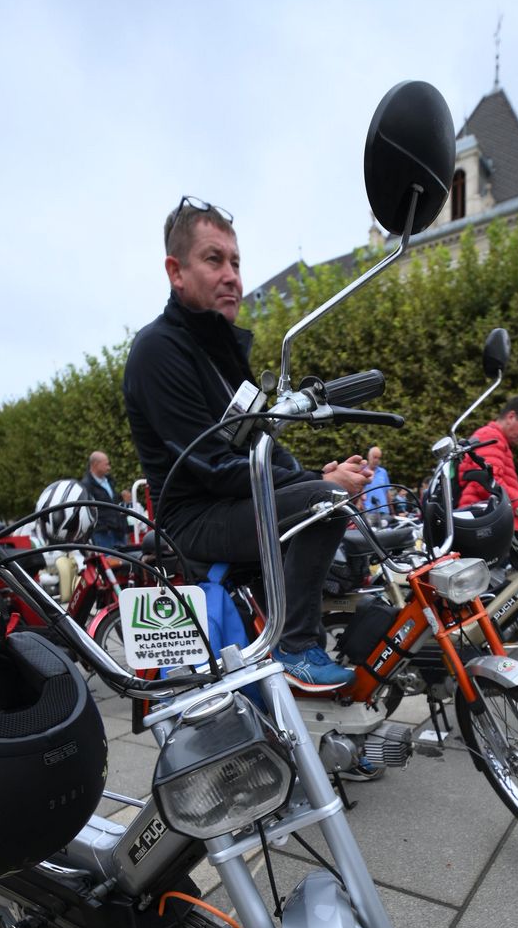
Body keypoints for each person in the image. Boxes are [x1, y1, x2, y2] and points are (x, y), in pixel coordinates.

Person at [123, 197, 371, 692]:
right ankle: (296, 644)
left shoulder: (220, 350)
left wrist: (311, 475)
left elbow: (262, 442)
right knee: (325, 503)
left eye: (235, 263)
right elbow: (214, 466)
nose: (232, 276)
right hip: (194, 519)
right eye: (214, 260)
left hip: (233, 504)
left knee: (345, 526)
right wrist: (319, 485)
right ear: (176, 271)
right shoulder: (158, 351)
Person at [456, 396, 518, 524]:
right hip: (486, 524)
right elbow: (487, 484)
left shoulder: (497, 440)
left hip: (488, 522)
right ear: (511, 416)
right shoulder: (491, 437)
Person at [79, 450, 131, 549]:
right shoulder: (86, 485)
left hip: (118, 531)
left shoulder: (109, 480)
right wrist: (102, 526)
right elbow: (88, 510)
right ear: (95, 464)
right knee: (108, 558)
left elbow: (110, 501)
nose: (109, 468)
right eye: (106, 464)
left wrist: (121, 497)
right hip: (103, 534)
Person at [360, 446, 392, 528]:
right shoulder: (362, 472)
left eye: (379, 458)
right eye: (374, 457)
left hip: (384, 512)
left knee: (386, 533)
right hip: (369, 512)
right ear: (368, 456)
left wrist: (392, 511)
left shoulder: (383, 472)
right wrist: (363, 510)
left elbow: (387, 492)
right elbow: (359, 492)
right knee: (369, 534)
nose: (377, 460)